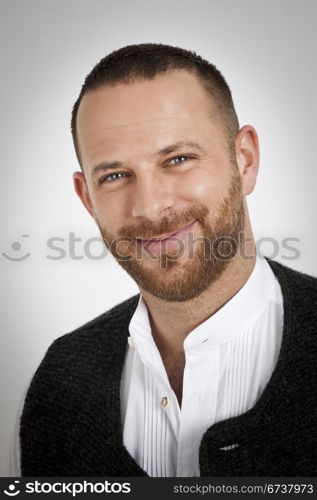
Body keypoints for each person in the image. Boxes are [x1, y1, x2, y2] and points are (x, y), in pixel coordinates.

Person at [18, 43, 316, 477]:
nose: (151, 207)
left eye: (178, 159)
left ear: (245, 160)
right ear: (87, 199)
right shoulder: (59, 382)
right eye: (115, 176)